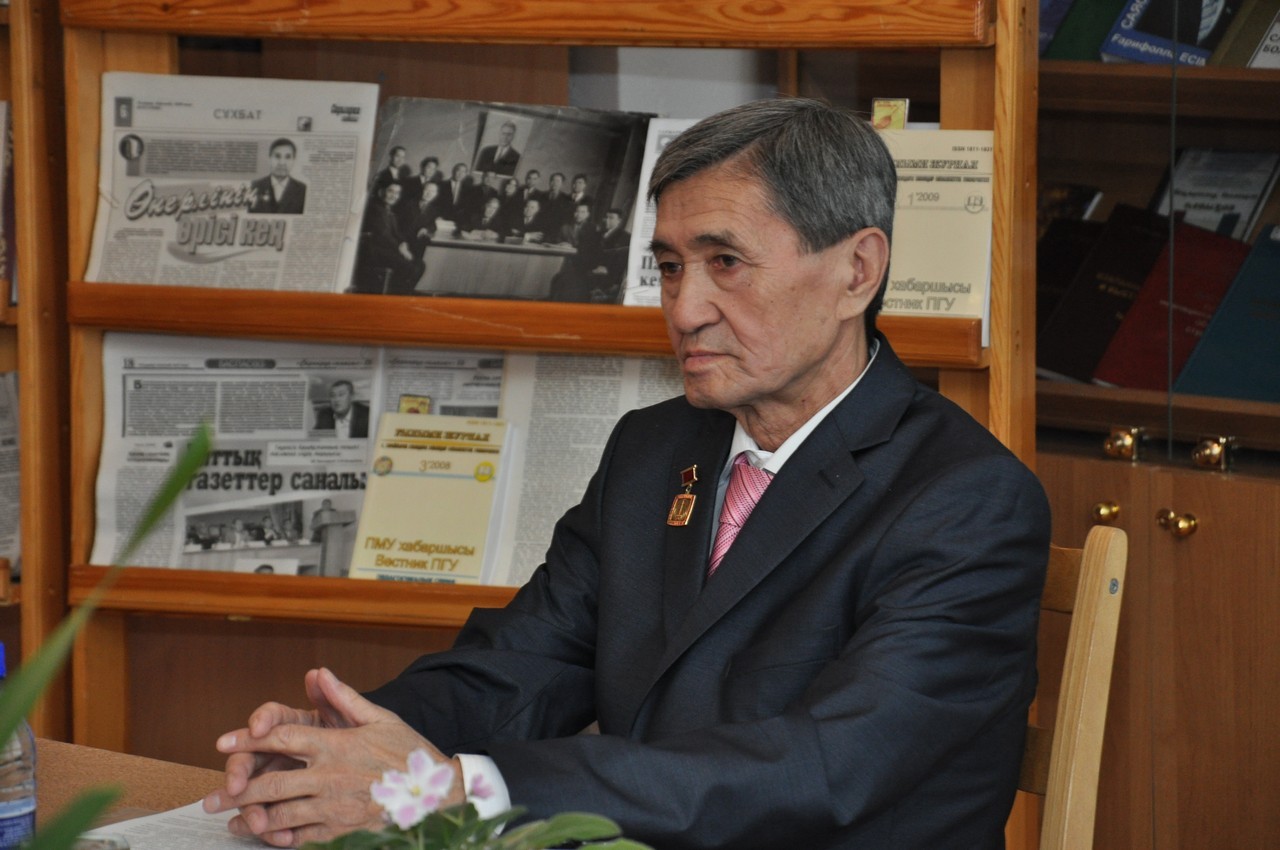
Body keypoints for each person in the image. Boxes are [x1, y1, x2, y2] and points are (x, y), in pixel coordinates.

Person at [205, 98, 1050, 850]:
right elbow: (526, 663)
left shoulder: (968, 499)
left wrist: (456, 790)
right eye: (671, 266)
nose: (683, 309)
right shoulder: (655, 449)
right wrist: (348, 744)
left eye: (726, 262)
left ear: (856, 271)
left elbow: (826, 767)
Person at [354, 182, 423, 295]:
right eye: (391, 191)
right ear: (381, 192)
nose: (393, 196)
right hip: (374, 251)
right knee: (409, 267)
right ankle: (396, 294)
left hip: (387, 249)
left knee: (420, 265)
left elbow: (397, 233)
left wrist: (403, 243)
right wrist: (400, 249)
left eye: (397, 193)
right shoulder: (375, 209)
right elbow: (383, 235)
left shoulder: (389, 210)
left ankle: (403, 293)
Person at [248, 138, 307, 215]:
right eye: (277, 156)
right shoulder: (254, 186)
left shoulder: (303, 190)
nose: (282, 162)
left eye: (288, 157)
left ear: (294, 160)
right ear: (269, 158)